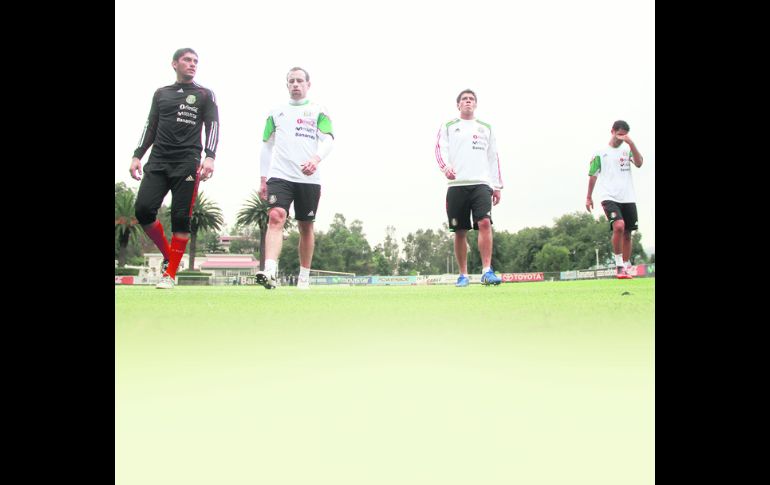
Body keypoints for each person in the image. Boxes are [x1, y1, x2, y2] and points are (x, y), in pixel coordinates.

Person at [129, 48, 219, 289]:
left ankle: (169, 275)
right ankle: (170, 256)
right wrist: (137, 155)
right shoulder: (161, 93)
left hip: (187, 162)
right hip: (158, 161)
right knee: (144, 210)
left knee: (181, 218)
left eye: (195, 62)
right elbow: (150, 126)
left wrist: (210, 157)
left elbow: (213, 126)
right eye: (187, 60)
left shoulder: (204, 94)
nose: (192, 65)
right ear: (174, 64)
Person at [254, 67, 334, 290]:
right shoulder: (275, 112)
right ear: (287, 85)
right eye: (292, 81)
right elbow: (266, 146)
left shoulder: (319, 110)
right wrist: (263, 178)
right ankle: (270, 271)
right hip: (280, 176)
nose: (296, 84)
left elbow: (328, 140)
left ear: (308, 85)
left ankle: (304, 277)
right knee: (276, 216)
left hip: (309, 178)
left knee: (305, 226)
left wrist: (316, 159)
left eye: (300, 81)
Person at [435, 89, 504, 287]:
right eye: (464, 99)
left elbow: (493, 157)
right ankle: (463, 275)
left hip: (481, 183)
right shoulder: (449, 126)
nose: (468, 102)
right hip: (457, 185)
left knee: (484, 223)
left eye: (471, 99)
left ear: (476, 104)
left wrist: (497, 185)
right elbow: (440, 149)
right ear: (458, 105)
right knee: (460, 230)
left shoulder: (486, 127)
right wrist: (445, 168)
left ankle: (486, 271)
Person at [585, 120, 644, 279]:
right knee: (619, 225)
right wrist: (589, 196)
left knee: (627, 233)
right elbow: (592, 175)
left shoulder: (627, 150)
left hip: (628, 197)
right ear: (612, 131)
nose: (621, 138)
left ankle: (625, 266)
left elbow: (639, 163)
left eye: (625, 135)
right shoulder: (600, 152)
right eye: (619, 134)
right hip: (609, 196)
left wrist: (631, 143)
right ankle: (618, 266)